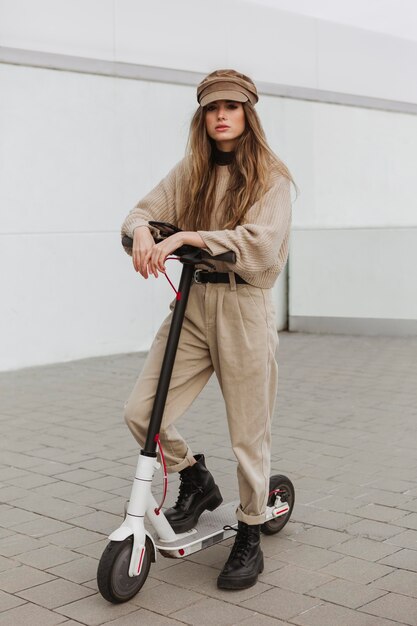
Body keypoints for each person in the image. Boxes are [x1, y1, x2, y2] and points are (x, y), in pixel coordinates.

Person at [121, 69, 295, 590]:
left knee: (248, 436)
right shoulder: (191, 170)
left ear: (248, 114)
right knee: (141, 413)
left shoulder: (272, 177)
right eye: (212, 107)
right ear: (203, 117)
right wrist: (144, 235)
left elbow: (260, 244)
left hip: (244, 307)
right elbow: (141, 213)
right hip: (194, 305)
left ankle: (249, 529)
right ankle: (195, 479)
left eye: (232, 107)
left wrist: (189, 235)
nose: (221, 115)